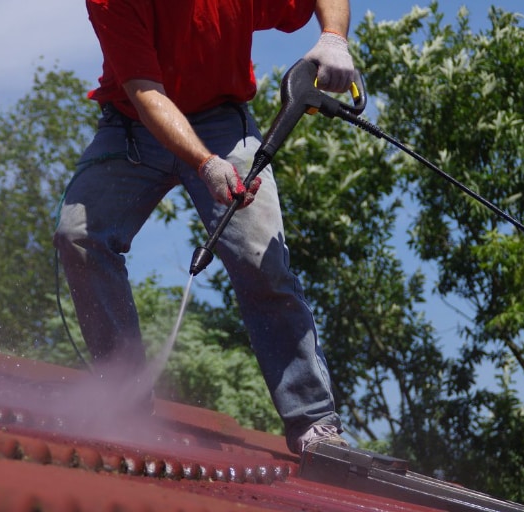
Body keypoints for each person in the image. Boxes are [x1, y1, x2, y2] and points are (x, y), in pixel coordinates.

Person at [54, 0, 355, 455]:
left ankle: (314, 421)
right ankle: (126, 403)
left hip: (223, 124)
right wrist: (204, 164)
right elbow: (146, 93)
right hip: (134, 125)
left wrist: (334, 37)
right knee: (78, 235)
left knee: (260, 259)